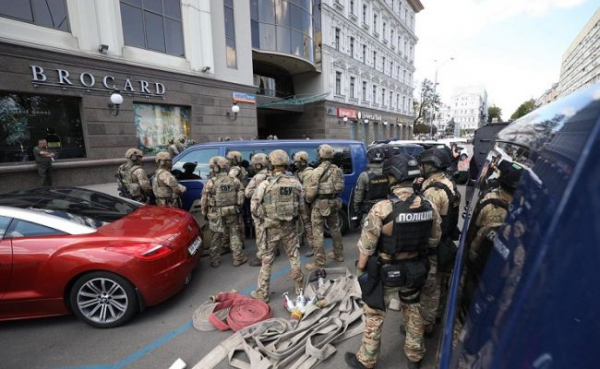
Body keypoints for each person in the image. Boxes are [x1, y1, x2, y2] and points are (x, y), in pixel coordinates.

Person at [345, 154, 441, 369]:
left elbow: (367, 247)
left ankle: (367, 360)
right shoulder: (429, 205)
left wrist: (360, 270)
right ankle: (415, 356)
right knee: (413, 309)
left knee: (374, 313)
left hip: (387, 270)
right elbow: (435, 239)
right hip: (416, 268)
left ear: (393, 177)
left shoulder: (382, 208)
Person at [414, 147, 461, 334]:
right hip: (446, 241)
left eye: (423, 164)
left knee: (429, 289)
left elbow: (427, 221)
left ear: (432, 165)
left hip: (435, 244)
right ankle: (436, 316)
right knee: (440, 284)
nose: (421, 167)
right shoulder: (448, 182)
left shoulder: (433, 191)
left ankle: (426, 326)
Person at [250, 150, 305, 302]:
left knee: (267, 260)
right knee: (294, 257)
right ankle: (299, 288)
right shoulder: (295, 183)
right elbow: (302, 208)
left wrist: (264, 218)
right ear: (286, 164)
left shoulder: (265, 185)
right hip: (289, 228)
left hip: (271, 228)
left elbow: (253, 208)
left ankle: (263, 293)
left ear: (271, 164)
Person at [199, 156, 248, 267]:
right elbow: (241, 197)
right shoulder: (234, 180)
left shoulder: (210, 183)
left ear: (214, 168)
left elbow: (204, 200)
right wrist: (237, 207)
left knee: (216, 236)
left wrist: (204, 213)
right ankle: (238, 258)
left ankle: (214, 260)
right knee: (234, 234)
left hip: (216, 212)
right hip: (232, 212)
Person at [304, 144, 345, 271]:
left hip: (320, 204)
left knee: (318, 233)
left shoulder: (317, 171)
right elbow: (340, 187)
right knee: (335, 229)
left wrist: (308, 200)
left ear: (320, 155)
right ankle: (339, 255)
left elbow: (311, 192)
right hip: (334, 202)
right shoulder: (337, 170)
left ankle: (319, 263)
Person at [244, 153, 271, 267]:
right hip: (271, 208)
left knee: (260, 232)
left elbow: (247, 193)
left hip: (260, 209)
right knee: (270, 230)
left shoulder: (258, 177)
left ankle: (261, 256)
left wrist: (258, 192)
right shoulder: (273, 175)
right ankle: (274, 250)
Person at [353, 146, 389, 226]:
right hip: (386, 210)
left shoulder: (364, 176)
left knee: (368, 236)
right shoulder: (389, 174)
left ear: (369, 159)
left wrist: (357, 211)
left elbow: (358, 198)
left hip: (369, 211)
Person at [292, 151, 315, 257]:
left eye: (297, 162)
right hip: (300, 202)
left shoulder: (308, 173)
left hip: (305, 203)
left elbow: (306, 191)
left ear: (302, 161)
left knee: (307, 225)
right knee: (301, 223)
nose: (295, 164)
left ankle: (313, 247)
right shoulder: (300, 172)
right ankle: (301, 241)